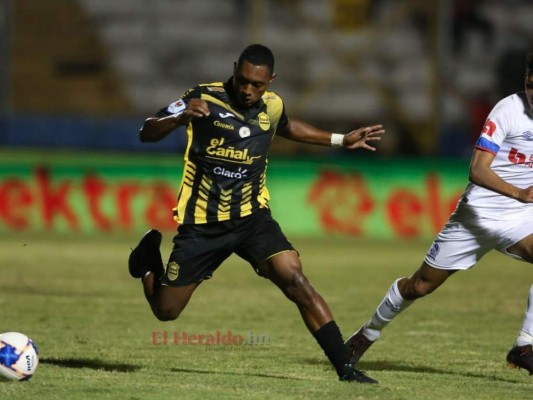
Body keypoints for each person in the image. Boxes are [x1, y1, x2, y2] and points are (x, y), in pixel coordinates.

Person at [129, 44, 385, 383]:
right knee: (166, 311)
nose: (249, 90)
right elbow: (147, 131)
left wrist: (340, 139)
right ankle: (147, 263)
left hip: (253, 219)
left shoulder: (273, 105)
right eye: (243, 80)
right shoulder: (203, 97)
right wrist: (180, 118)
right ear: (235, 69)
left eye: (258, 84)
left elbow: (289, 127)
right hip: (204, 224)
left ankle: (346, 369)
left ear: (271, 80)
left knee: (296, 279)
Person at [346, 51, 533, 376]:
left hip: (521, 218)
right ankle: (367, 333)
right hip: (478, 217)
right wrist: (520, 192)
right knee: (419, 286)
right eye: (532, 84)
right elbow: (477, 170)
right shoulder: (508, 110)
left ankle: (524, 345)